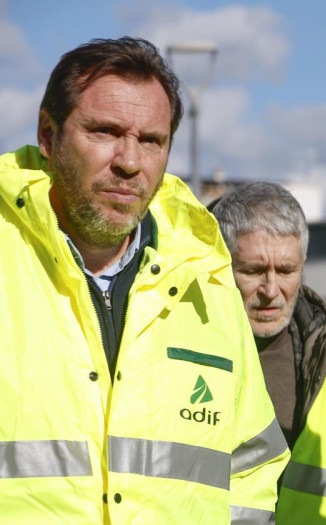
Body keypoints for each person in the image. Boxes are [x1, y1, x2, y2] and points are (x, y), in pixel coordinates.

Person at [0, 37, 287, 523]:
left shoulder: (208, 285)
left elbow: (251, 467)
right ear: (48, 137)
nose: (130, 162)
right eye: (105, 132)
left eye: (151, 141)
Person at [211, 182, 326, 524]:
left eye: (286, 271)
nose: (271, 291)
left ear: (303, 264)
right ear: (219, 263)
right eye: (253, 271)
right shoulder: (176, 356)